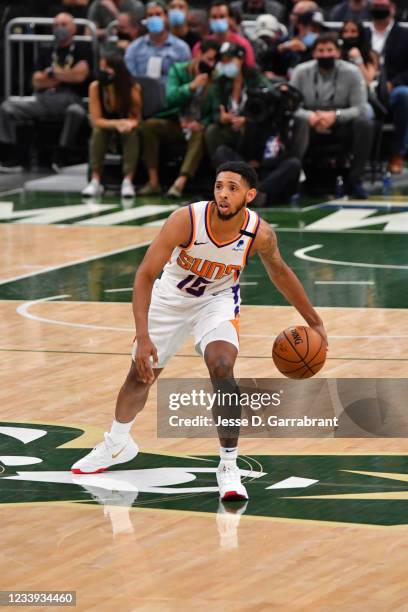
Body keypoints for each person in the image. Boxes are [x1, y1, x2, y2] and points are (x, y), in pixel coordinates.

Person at [71, 160, 328, 502]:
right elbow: (145, 275)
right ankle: (117, 443)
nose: (223, 194)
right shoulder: (186, 220)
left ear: (249, 195)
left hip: (217, 302)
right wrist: (144, 336)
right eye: (219, 186)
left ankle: (228, 465)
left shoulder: (259, 234)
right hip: (169, 300)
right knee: (139, 376)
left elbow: (280, 274)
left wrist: (313, 320)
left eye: (233, 188)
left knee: (222, 367)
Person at [0, 12, 91, 172]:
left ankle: (64, 157)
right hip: (43, 99)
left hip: (71, 99)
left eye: (64, 25)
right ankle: (11, 155)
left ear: (74, 28)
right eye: (56, 25)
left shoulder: (83, 48)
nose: (59, 28)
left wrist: (52, 74)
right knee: (7, 107)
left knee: (75, 112)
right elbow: (36, 80)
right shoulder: (46, 50)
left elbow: (80, 76)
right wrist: (65, 75)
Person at [290, 32, 374, 199]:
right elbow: (291, 106)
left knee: (365, 124)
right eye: (321, 50)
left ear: (338, 52)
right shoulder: (301, 71)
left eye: (330, 50)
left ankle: (354, 180)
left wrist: (335, 116)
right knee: (298, 121)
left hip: (341, 123)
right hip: (311, 123)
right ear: (314, 53)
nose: (325, 54)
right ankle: (296, 180)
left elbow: (360, 108)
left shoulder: (352, 72)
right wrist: (310, 117)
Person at [138, 38, 220, 197]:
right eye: (208, 59)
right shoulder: (179, 70)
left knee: (200, 133)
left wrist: (202, 123)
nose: (211, 64)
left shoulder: (215, 77)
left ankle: (179, 183)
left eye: (214, 61)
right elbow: (170, 98)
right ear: (198, 54)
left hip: (198, 127)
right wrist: (191, 87)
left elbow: (216, 108)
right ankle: (153, 182)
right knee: (150, 126)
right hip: (177, 123)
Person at [82, 52, 142, 198]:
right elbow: (96, 119)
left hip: (127, 127)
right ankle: (95, 181)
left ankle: (127, 181)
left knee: (131, 133)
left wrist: (127, 124)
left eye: (107, 68)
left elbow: (136, 118)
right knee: (98, 132)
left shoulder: (132, 87)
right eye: (101, 68)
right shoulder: (95, 87)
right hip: (107, 125)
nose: (103, 72)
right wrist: (117, 124)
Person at [205, 42, 272, 161]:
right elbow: (215, 112)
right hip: (230, 127)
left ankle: (252, 169)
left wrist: (247, 119)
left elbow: (269, 100)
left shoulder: (254, 77)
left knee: (253, 129)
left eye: (229, 60)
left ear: (241, 60)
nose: (225, 64)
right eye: (223, 60)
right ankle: (223, 174)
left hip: (252, 126)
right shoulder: (219, 82)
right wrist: (221, 118)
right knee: (212, 131)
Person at [368, 0, 408, 174]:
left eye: (382, 5)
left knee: (404, 95)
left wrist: (393, 83)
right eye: (375, 5)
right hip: (363, 85)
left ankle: (398, 152)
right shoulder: (361, 31)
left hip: (393, 86)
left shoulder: (404, 34)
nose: (379, 8)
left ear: (392, 9)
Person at [124, 1, 191, 85]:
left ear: (166, 17)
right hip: (143, 94)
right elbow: (131, 78)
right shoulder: (134, 48)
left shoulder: (181, 48)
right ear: (145, 19)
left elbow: (185, 80)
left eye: (158, 14)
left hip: (170, 95)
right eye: (150, 15)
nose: (154, 18)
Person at [192, 1, 256, 68]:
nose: (218, 20)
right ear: (209, 20)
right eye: (214, 17)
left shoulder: (243, 44)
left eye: (222, 16)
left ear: (230, 19)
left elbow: (250, 70)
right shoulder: (200, 46)